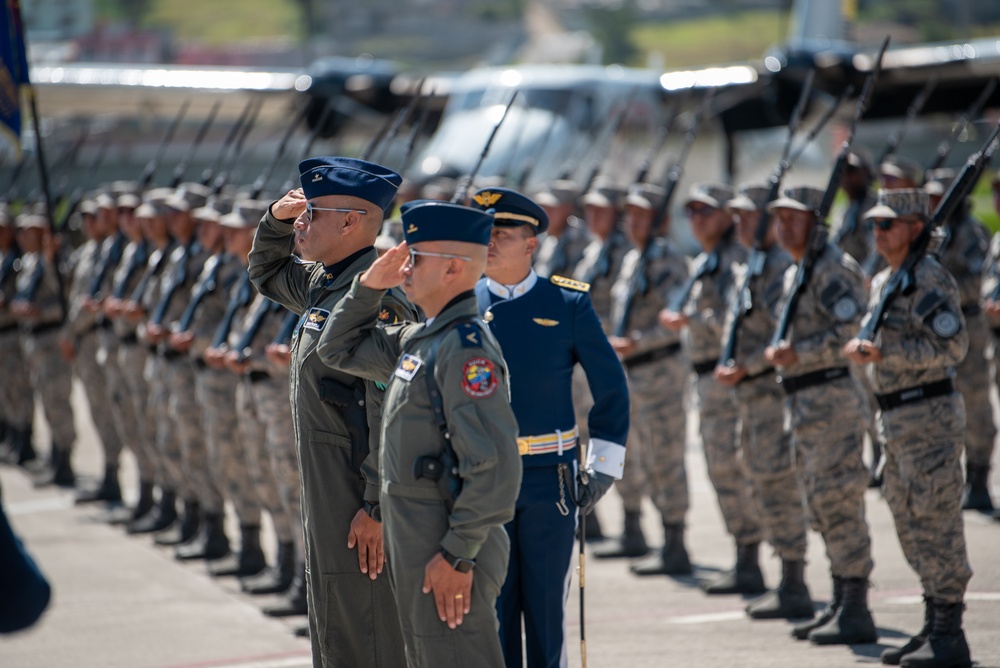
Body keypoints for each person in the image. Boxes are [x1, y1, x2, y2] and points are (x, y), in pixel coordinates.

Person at [315, 199, 521, 668]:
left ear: (452, 269)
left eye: (416, 258)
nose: (403, 267)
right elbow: (338, 349)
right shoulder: (422, 340)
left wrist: (458, 556)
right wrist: (367, 287)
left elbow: (495, 466)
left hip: (446, 546)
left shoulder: (466, 351)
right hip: (420, 542)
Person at [248, 156, 412, 667]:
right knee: (335, 619)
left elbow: (392, 408)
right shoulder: (327, 282)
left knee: (365, 627)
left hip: (355, 486)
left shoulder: (379, 299)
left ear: (350, 222)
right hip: (328, 479)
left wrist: (376, 506)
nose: (301, 221)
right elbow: (267, 271)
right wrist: (275, 218)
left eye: (311, 212)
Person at [468, 187, 628, 666]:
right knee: (493, 615)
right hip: (485, 479)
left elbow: (612, 389)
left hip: (549, 481)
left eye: (503, 233)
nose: (490, 242)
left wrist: (601, 467)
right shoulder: (460, 303)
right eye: (485, 232)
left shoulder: (566, 302)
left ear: (531, 243)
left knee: (544, 614)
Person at [844, 189, 973, 668]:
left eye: (888, 225)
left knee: (936, 520)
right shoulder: (886, 280)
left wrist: (885, 355)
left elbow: (953, 347)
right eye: (874, 225)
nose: (877, 232)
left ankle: (950, 636)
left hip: (929, 416)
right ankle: (933, 619)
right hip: (894, 419)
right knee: (907, 516)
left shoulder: (928, 279)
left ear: (916, 229)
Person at [765, 186, 876, 642]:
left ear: (817, 222)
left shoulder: (832, 269)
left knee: (839, 502)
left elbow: (854, 330)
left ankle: (856, 608)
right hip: (805, 404)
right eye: (780, 218)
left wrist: (799, 352)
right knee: (821, 506)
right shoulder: (799, 270)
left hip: (831, 400)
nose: (784, 226)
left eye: (794, 218)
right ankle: (839, 599)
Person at [659, 183, 760, 584]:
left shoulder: (737, 260)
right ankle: (744, 555)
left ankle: (753, 558)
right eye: (692, 212)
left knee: (736, 470)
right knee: (721, 470)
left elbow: (740, 323)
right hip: (704, 379)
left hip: (727, 378)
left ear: (727, 216)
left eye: (706, 211)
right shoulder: (707, 259)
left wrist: (692, 321)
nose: (697, 220)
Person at [709, 184, 793, 596]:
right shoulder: (750, 264)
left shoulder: (780, 267)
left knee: (776, 482)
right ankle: (767, 571)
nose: (742, 224)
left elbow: (784, 335)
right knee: (756, 480)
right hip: (747, 395)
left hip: (768, 393)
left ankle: (792, 581)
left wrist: (748, 364)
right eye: (738, 217)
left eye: (750, 216)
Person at [606, 182, 693, 578]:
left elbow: (679, 319)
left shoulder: (669, 260)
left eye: (642, 215)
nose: (632, 221)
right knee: (642, 456)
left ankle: (676, 542)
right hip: (634, 372)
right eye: (630, 214)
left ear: (659, 220)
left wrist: (637, 341)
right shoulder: (633, 258)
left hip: (660, 371)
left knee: (666, 458)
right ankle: (659, 537)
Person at [923, 169, 995, 512]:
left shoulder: (970, 232)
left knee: (976, 401)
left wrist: (941, 290)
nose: (935, 204)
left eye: (941, 196)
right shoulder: (932, 235)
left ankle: (979, 477)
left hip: (968, 324)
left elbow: (979, 282)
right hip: (936, 332)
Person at [10, 209, 77, 488]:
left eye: (31, 231)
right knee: (44, 400)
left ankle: (64, 459)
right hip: (32, 341)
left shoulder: (53, 262)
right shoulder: (27, 262)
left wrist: (39, 311)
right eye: (22, 231)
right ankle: (54, 455)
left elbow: (64, 301)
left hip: (50, 340)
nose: (24, 237)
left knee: (57, 401)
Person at [0, 205, 35, 467]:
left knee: (20, 390)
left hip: (14, 334)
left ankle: (25, 439)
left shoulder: (17, 260)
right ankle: (13, 435)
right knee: (7, 391)